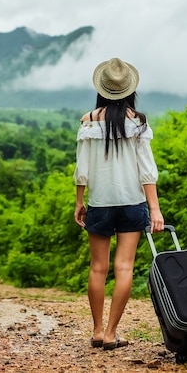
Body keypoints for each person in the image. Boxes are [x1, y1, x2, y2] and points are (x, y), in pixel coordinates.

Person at [73, 57, 164, 351]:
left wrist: (79, 201)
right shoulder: (138, 122)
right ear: (128, 90)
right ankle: (112, 333)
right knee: (124, 268)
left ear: (102, 88)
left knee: (98, 268)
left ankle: (98, 330)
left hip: (99, 203)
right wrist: (155, 209)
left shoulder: (88, 121)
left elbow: (82, 169)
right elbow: (146, 170)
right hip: (132, 202)